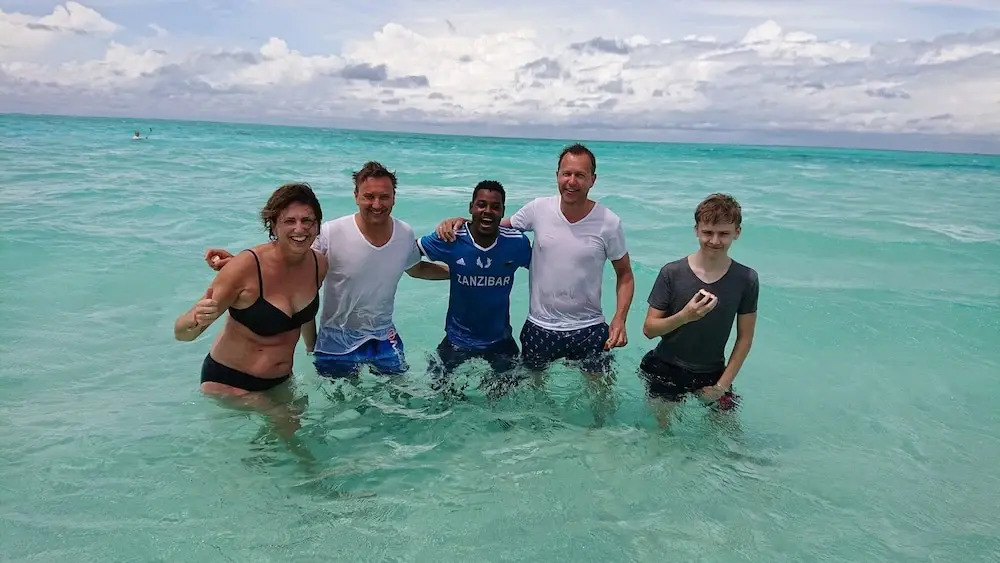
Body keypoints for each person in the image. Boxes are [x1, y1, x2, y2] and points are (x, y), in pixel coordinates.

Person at [206, 161, 448, 380]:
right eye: (369, 196)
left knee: (400, 398)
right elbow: (292, 260)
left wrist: (458, 273)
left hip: (383, 336)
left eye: (384, 197)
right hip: (336, 340)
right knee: (341, 408)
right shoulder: (332, 233)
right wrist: (242, 264)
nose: (377, 204)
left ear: (394, 197)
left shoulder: (404, 233)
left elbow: (416, 268)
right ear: (356, 196)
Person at [437, 143, 634, 380]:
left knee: (600, 393)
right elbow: (493, 226)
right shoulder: (538, 209)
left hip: (589, 327)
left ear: (593, 180)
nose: (572, 181)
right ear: (557, 175)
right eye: (567, 174)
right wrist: (461, 222)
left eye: (580, 175)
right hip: (540, 327)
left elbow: (625, 274)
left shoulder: (609, 222)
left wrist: (619, 319)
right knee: (533, 394)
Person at [174, 182, 328, 435]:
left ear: (318, 225)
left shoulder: (318, 264)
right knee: (292, 432)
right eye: (289, 221)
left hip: (279, 381)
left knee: (282, 436)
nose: (300, 229)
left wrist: (314, 350)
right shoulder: (245, 267)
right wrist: (196, 318)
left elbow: (303, 314)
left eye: (307, 221)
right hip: (228, 382)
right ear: (273, 225)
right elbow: (181, 333)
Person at [639, 192, 759, 428]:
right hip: (665, 367)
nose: (714, 240)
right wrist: (685, 316)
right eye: (707, 232)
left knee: (728, 433)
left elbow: (745, 339)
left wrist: (721, 387)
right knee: (661, 432)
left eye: (723, 234)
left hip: (713, 372)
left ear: (737, 232)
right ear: (696, 230)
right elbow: (649, 330)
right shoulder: (672, 273)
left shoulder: (746, 278)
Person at [417, 180, 532, 396]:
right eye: (481, 205)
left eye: (495, 206)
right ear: (471, 208)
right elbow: (408, 257)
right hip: (457, 341)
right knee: (437, 396)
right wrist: (450, 272)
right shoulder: (452, 237)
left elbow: (545, 271)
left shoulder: (517, 243)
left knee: (506, 402)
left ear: (503, 211)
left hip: (500, 342)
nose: (487, 211)